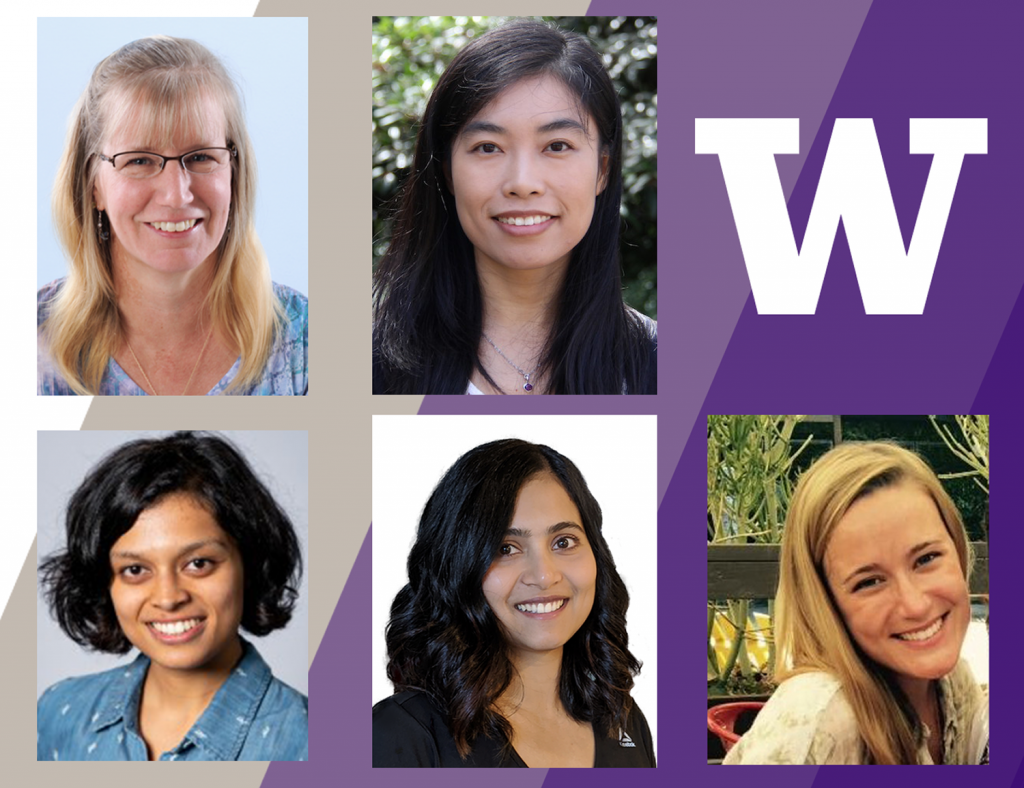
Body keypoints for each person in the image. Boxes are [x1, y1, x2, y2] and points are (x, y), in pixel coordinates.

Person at [372, 20, 656, 395]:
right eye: (488, 147)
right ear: (449, 173)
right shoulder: (369, 362)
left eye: (557, 146)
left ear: (602, 169)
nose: (522, 182)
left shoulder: (656, 362)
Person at [38, 36, 307, 395]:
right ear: (93, 186)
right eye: (139, 160)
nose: (177, 195)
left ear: (233, 171)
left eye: (200, 157)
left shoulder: (306, 340)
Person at [372, 439, 655, 767]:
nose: (544, 575)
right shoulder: (403, 733)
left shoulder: (622, 719)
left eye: (563, 542)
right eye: (505, 548)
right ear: (456, 567)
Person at [37, 432, 308, 761]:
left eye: (198, 564)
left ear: (249, 565)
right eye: (135, 570)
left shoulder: (312, 740)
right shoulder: (58, 713)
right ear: (104, 582)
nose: (168, 598)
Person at [723, 442, 988, 765]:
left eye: (926, 558)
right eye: (869, 582)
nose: (914, 605)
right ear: (825, 603)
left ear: (958, 549)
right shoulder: (817, 721)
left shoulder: (953, 684)